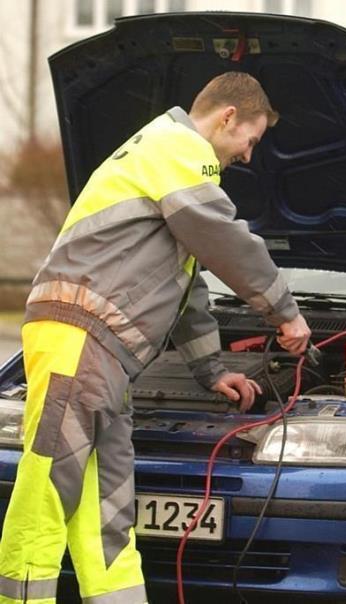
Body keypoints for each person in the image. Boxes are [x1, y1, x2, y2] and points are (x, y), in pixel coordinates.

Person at [0, 71, 311, 604]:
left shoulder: (168, 168)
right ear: (228, 116)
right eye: (250, 140)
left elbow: (186, 289)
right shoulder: (177, 148)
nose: (249, 156)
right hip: (79, 335)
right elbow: (224, 239)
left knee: (108, 504)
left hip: (104, 352)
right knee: (49, 488)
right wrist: (285, 312)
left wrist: (212, 370)